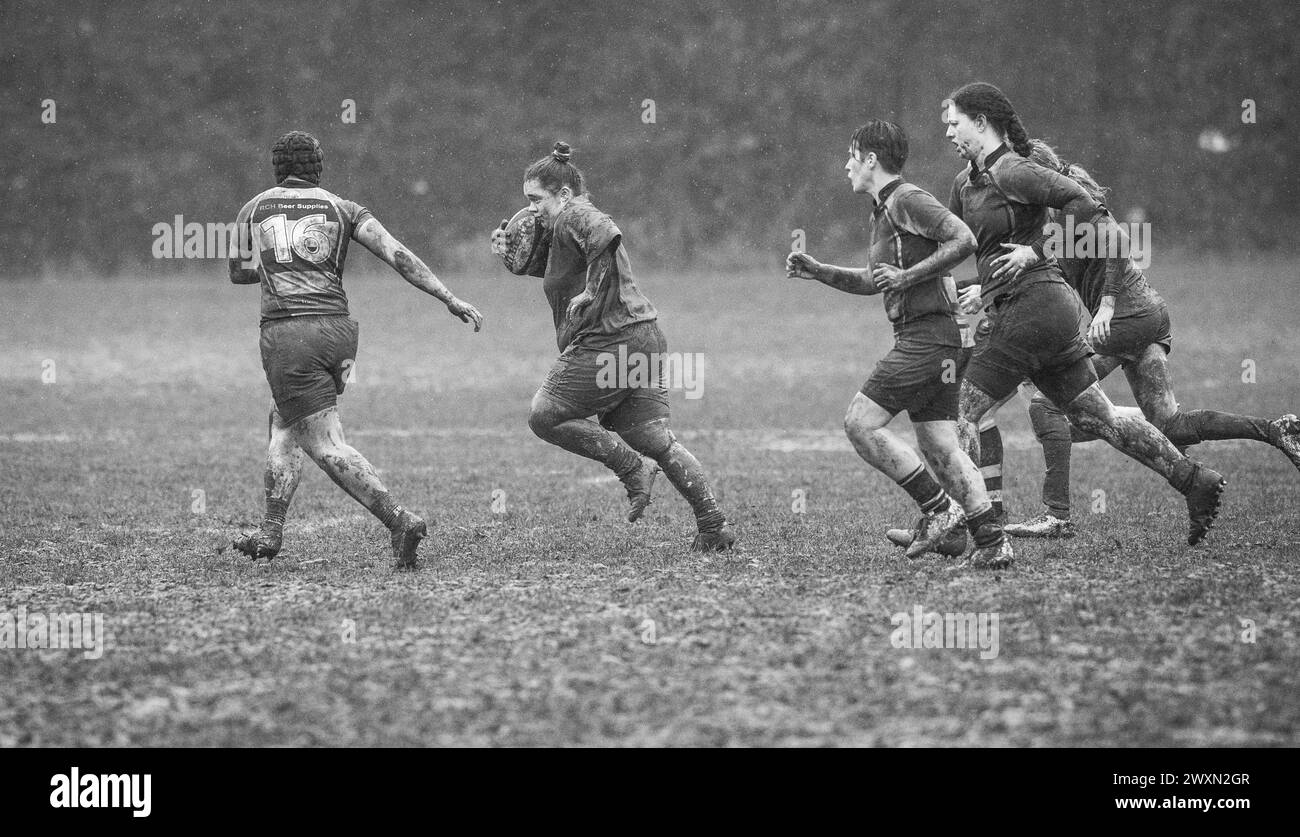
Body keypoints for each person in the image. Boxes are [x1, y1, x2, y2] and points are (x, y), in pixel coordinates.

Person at [942, 82, 1226, 546]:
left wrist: (1034, 253)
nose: (949, 131)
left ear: (982, 123)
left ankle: (976, 532)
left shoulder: (1013, 170)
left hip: (1035, 307)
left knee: (960, 410)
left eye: (955, 123)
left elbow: (1085, 204)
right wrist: (979, 289)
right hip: (1031, 309)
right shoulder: (966, 184)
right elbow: (975, 248)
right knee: (1102, 417)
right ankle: (1195, 481)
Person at [993, 140, 1300, 537]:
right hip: (1149, 315)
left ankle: (1057, 516)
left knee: (1046, 404)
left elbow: (1120, 243)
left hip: (1124, 319)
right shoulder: (1055, 218)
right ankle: (1275, 430)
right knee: (1168, 423)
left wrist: (1105, 305)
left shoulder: (1072, 210)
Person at [228, 130, 483, 566]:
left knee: (324, 442)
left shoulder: (253, 208)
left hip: (289, 335)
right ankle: (270, 532)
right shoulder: (343, 207)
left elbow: (237, 271)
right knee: (285, 422)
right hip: (340, 333)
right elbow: (396, 253)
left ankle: (399, 519)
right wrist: (448, 297)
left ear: (277, 169)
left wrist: (278, 267)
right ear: (318, 168)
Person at [786, 120, 1011, 568]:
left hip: (927, 338)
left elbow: (963, 239)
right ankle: (991, 541)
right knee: (940, 445)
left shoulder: (906, 199)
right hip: (938, 338)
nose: (846, 165)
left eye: (852, 155)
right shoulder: (883, 209)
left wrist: (909, 276)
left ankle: (939, 512)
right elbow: (875, 281)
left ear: (871, 160)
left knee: (860, 423)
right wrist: (819, 271)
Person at [489, 142, 734, 551]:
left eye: (536, 200)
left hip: (612, 342)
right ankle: (713, 525)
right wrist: (513, 256)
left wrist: (590, 293)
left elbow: (606, 237)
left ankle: (629, 467)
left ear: (563, 195)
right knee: (655, 438)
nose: (532, 209)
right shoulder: (564, 227)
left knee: (544, 415)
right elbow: (561, 273)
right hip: (644, 339)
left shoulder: (577, 214)